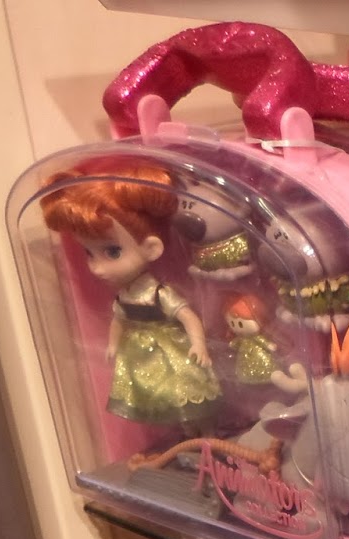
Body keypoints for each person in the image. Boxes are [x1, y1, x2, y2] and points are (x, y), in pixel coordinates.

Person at [40, 160, 221, 425]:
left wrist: (199, 344)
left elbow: (188, 317)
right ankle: (185, 435)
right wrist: (113, 345)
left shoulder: (158, 293)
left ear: (151, 248)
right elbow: (119, 320)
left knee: (184, 391)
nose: (97, 268)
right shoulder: (124, 295)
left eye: (113, 252)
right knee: (156, 396)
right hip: (140, 356)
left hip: (169, 351)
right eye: (89, 253)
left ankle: (203, 430)